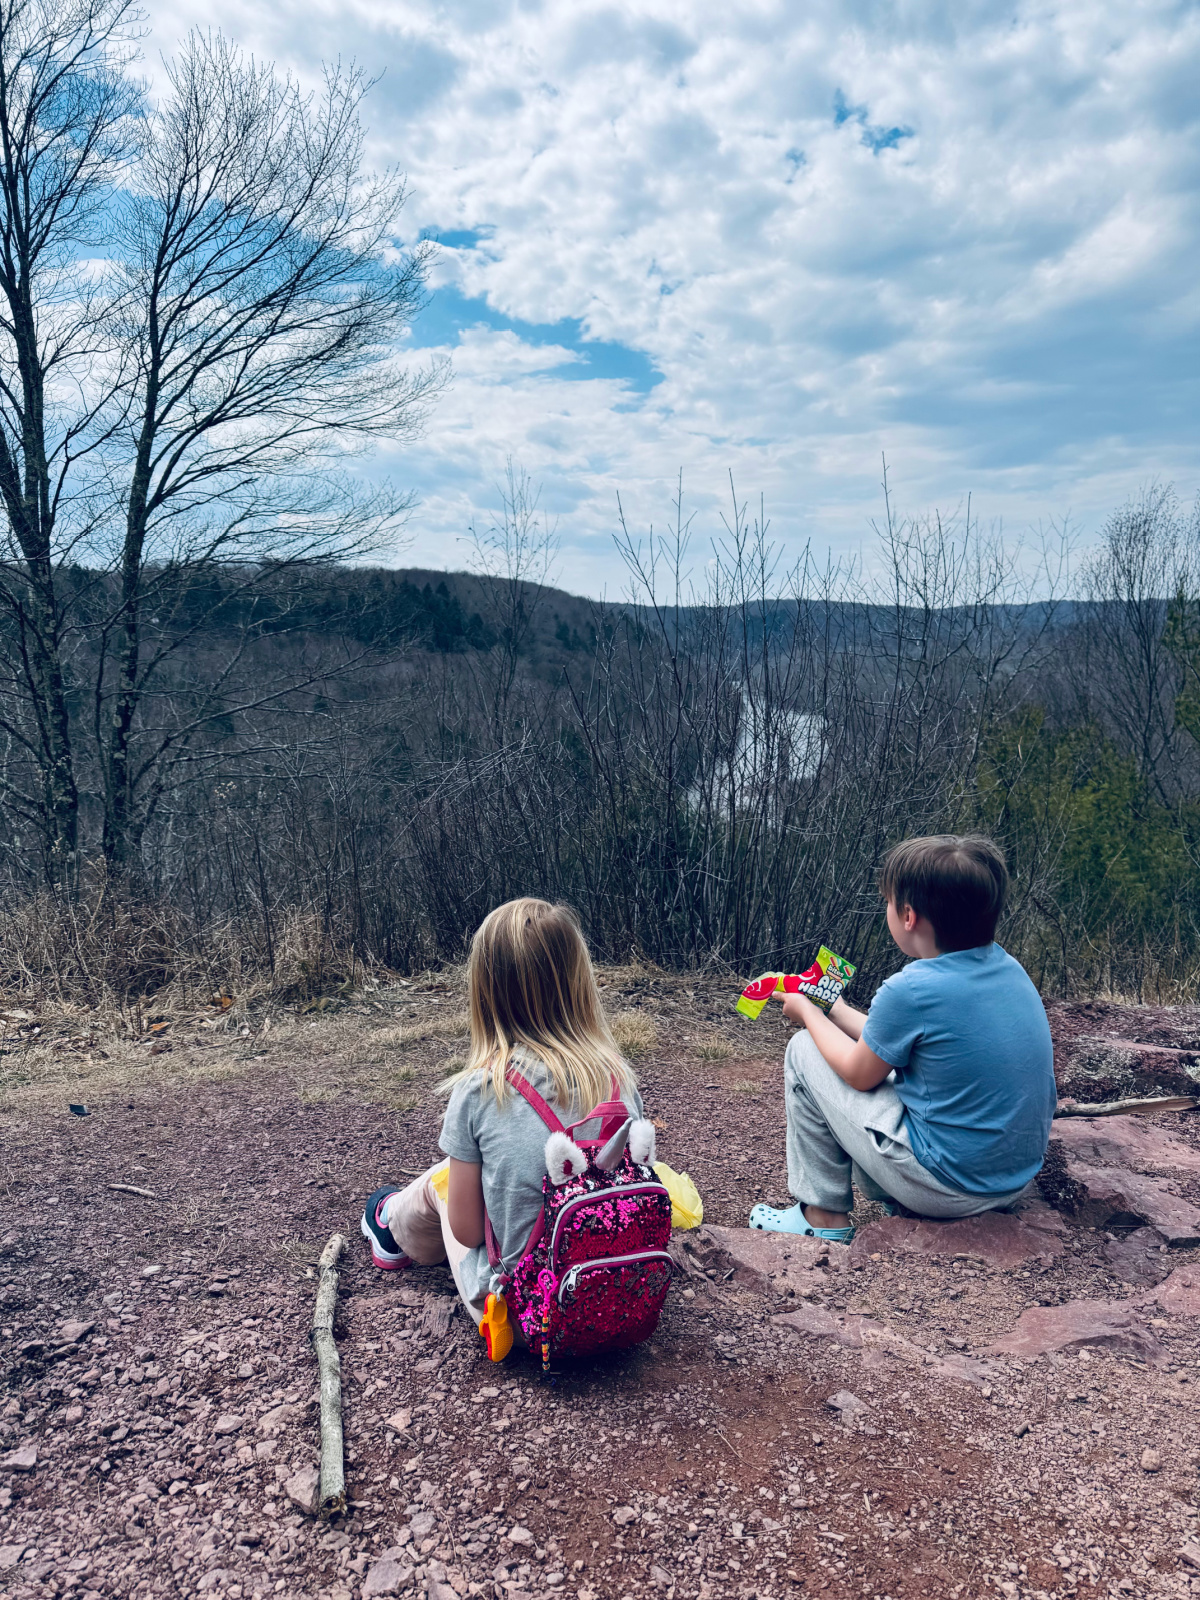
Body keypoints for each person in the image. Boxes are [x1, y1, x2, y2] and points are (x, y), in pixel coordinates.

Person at [749, 834, 1055, 1243]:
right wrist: (835, 1010)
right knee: (879, 1064)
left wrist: (807, 1014)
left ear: (908, 916)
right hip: (1011, 1180)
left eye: (888, 902)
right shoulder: (1009, 969)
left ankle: (822, 1216)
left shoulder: (910, 988)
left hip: (951, 1189)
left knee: (805, 1050)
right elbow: (894, 1044)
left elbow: (860, 1074)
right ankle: (895, 1196)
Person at [360, 897, 643, 1332]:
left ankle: (390, 1225)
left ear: (486, 990)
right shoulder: (617, 1081)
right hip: (623, 1299)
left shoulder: (480, 1090)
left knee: (444, 1182)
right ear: (579, 981)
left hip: (525, 1318)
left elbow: (469, 1232)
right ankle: (393, 1215)